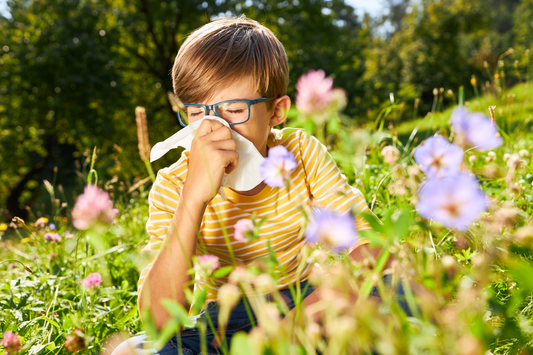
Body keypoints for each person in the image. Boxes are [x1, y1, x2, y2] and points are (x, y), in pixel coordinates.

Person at [112, 15, 394, 355]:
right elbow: (158, 321)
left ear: (276, 111)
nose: (217, 130)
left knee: (381, 300)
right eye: (198, 113)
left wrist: (307, 316)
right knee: (132, 350)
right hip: (220, 321)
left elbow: (373, 249)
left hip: (303, 301)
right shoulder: (173, 182)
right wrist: (193, 199)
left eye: (233, 110)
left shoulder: (299, 154)